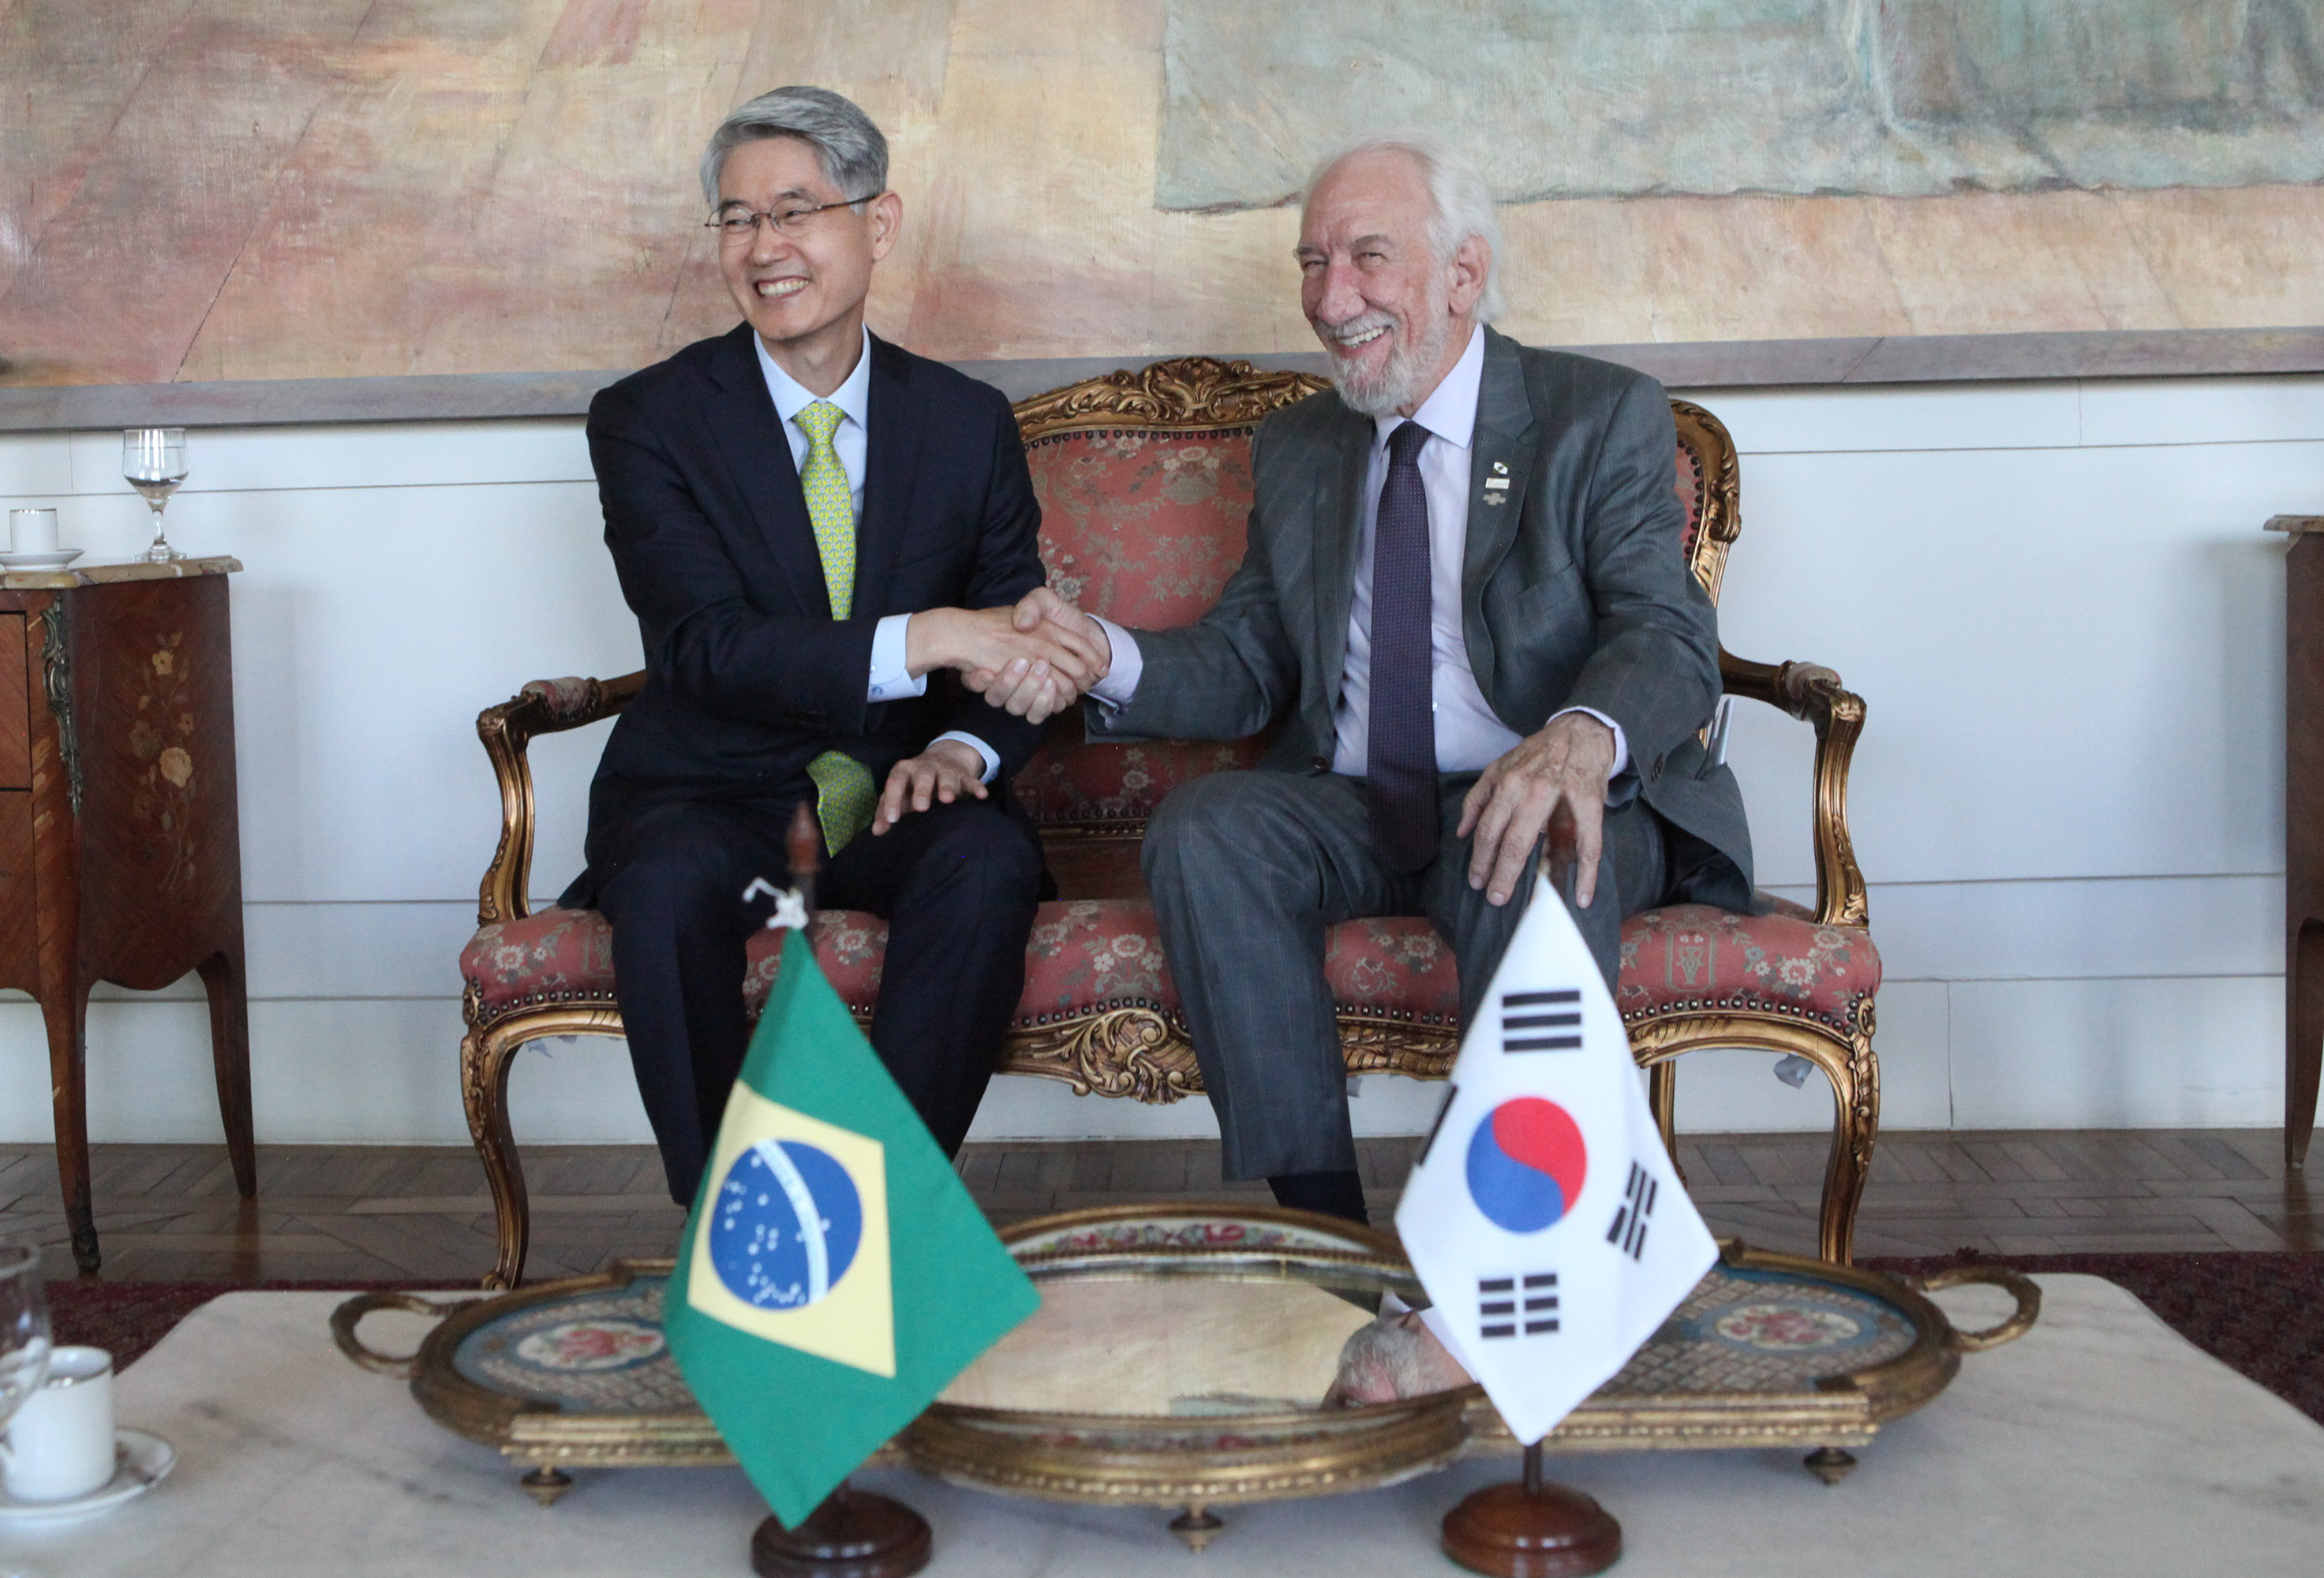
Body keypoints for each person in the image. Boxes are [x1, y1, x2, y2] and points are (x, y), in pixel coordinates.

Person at [986, 129, 1757, 1225]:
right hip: (1350, 806)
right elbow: (1249, 662)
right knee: (1206, 829)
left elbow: (1664, 629)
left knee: (1536, 840)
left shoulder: (1595, 415)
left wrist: (1579, 735)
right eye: (1312, 262)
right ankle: (1322, 1231)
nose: (1331, 296)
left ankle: (1507, 1251)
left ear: (1463, 273)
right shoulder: (1306, 445)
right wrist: (1101, 652)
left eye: (1367, 259)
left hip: (1529, 792)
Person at [563, 86, 1105, 1205]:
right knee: (663, 887)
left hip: (893, 793)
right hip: (706, 796)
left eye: (796, 211)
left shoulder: (965, 422)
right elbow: (705, 648)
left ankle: (878, 1216)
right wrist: (932, 634)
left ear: (879, 223)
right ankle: (736, 1229)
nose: (764, 248)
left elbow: (1017, 648)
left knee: (986, 857)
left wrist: (963, 751)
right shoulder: (647, 419)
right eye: (736, 218)